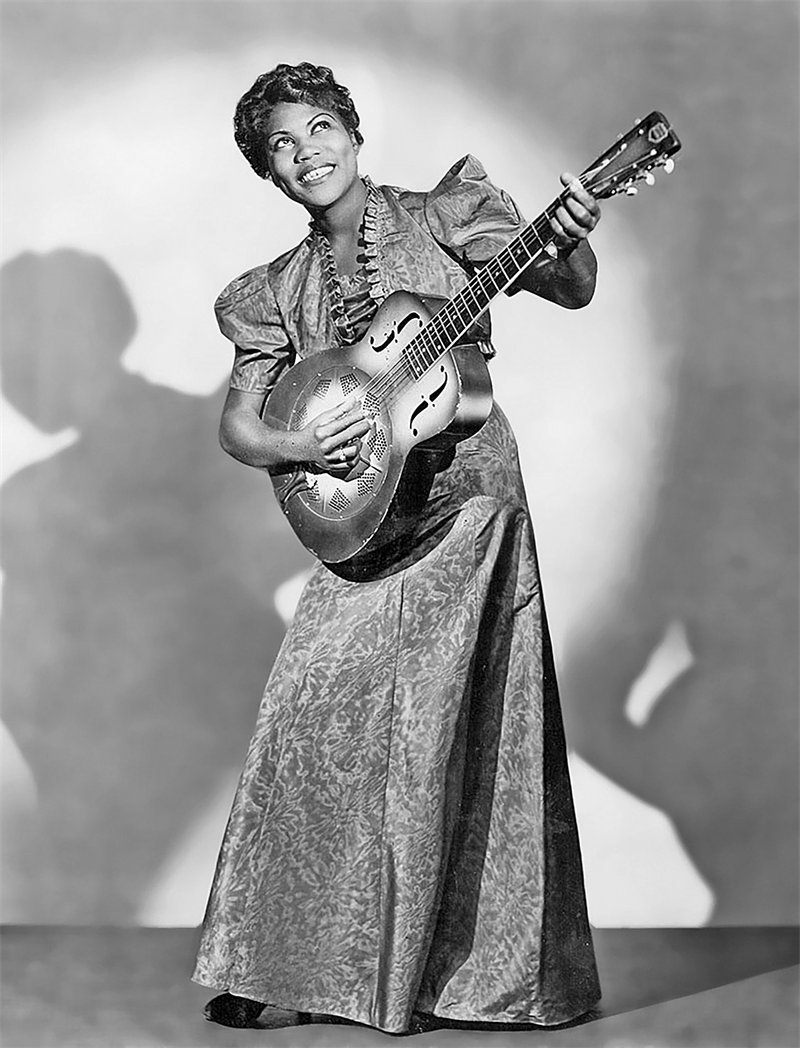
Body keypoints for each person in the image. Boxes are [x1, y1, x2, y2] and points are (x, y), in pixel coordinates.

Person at [193, 61, 602, 1034]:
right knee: (308, 718)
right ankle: (282, 962)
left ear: (352, 130)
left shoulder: (445, 213)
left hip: (467, 501)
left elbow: (567, 284)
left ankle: (458, 978)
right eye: (281, 146)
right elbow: (241, 426)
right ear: (268, 172)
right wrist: (301, 446)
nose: (306, 153)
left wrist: (571, 234)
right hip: (365, 516)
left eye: (318, 128)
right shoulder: (272, 291)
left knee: (436, 730)